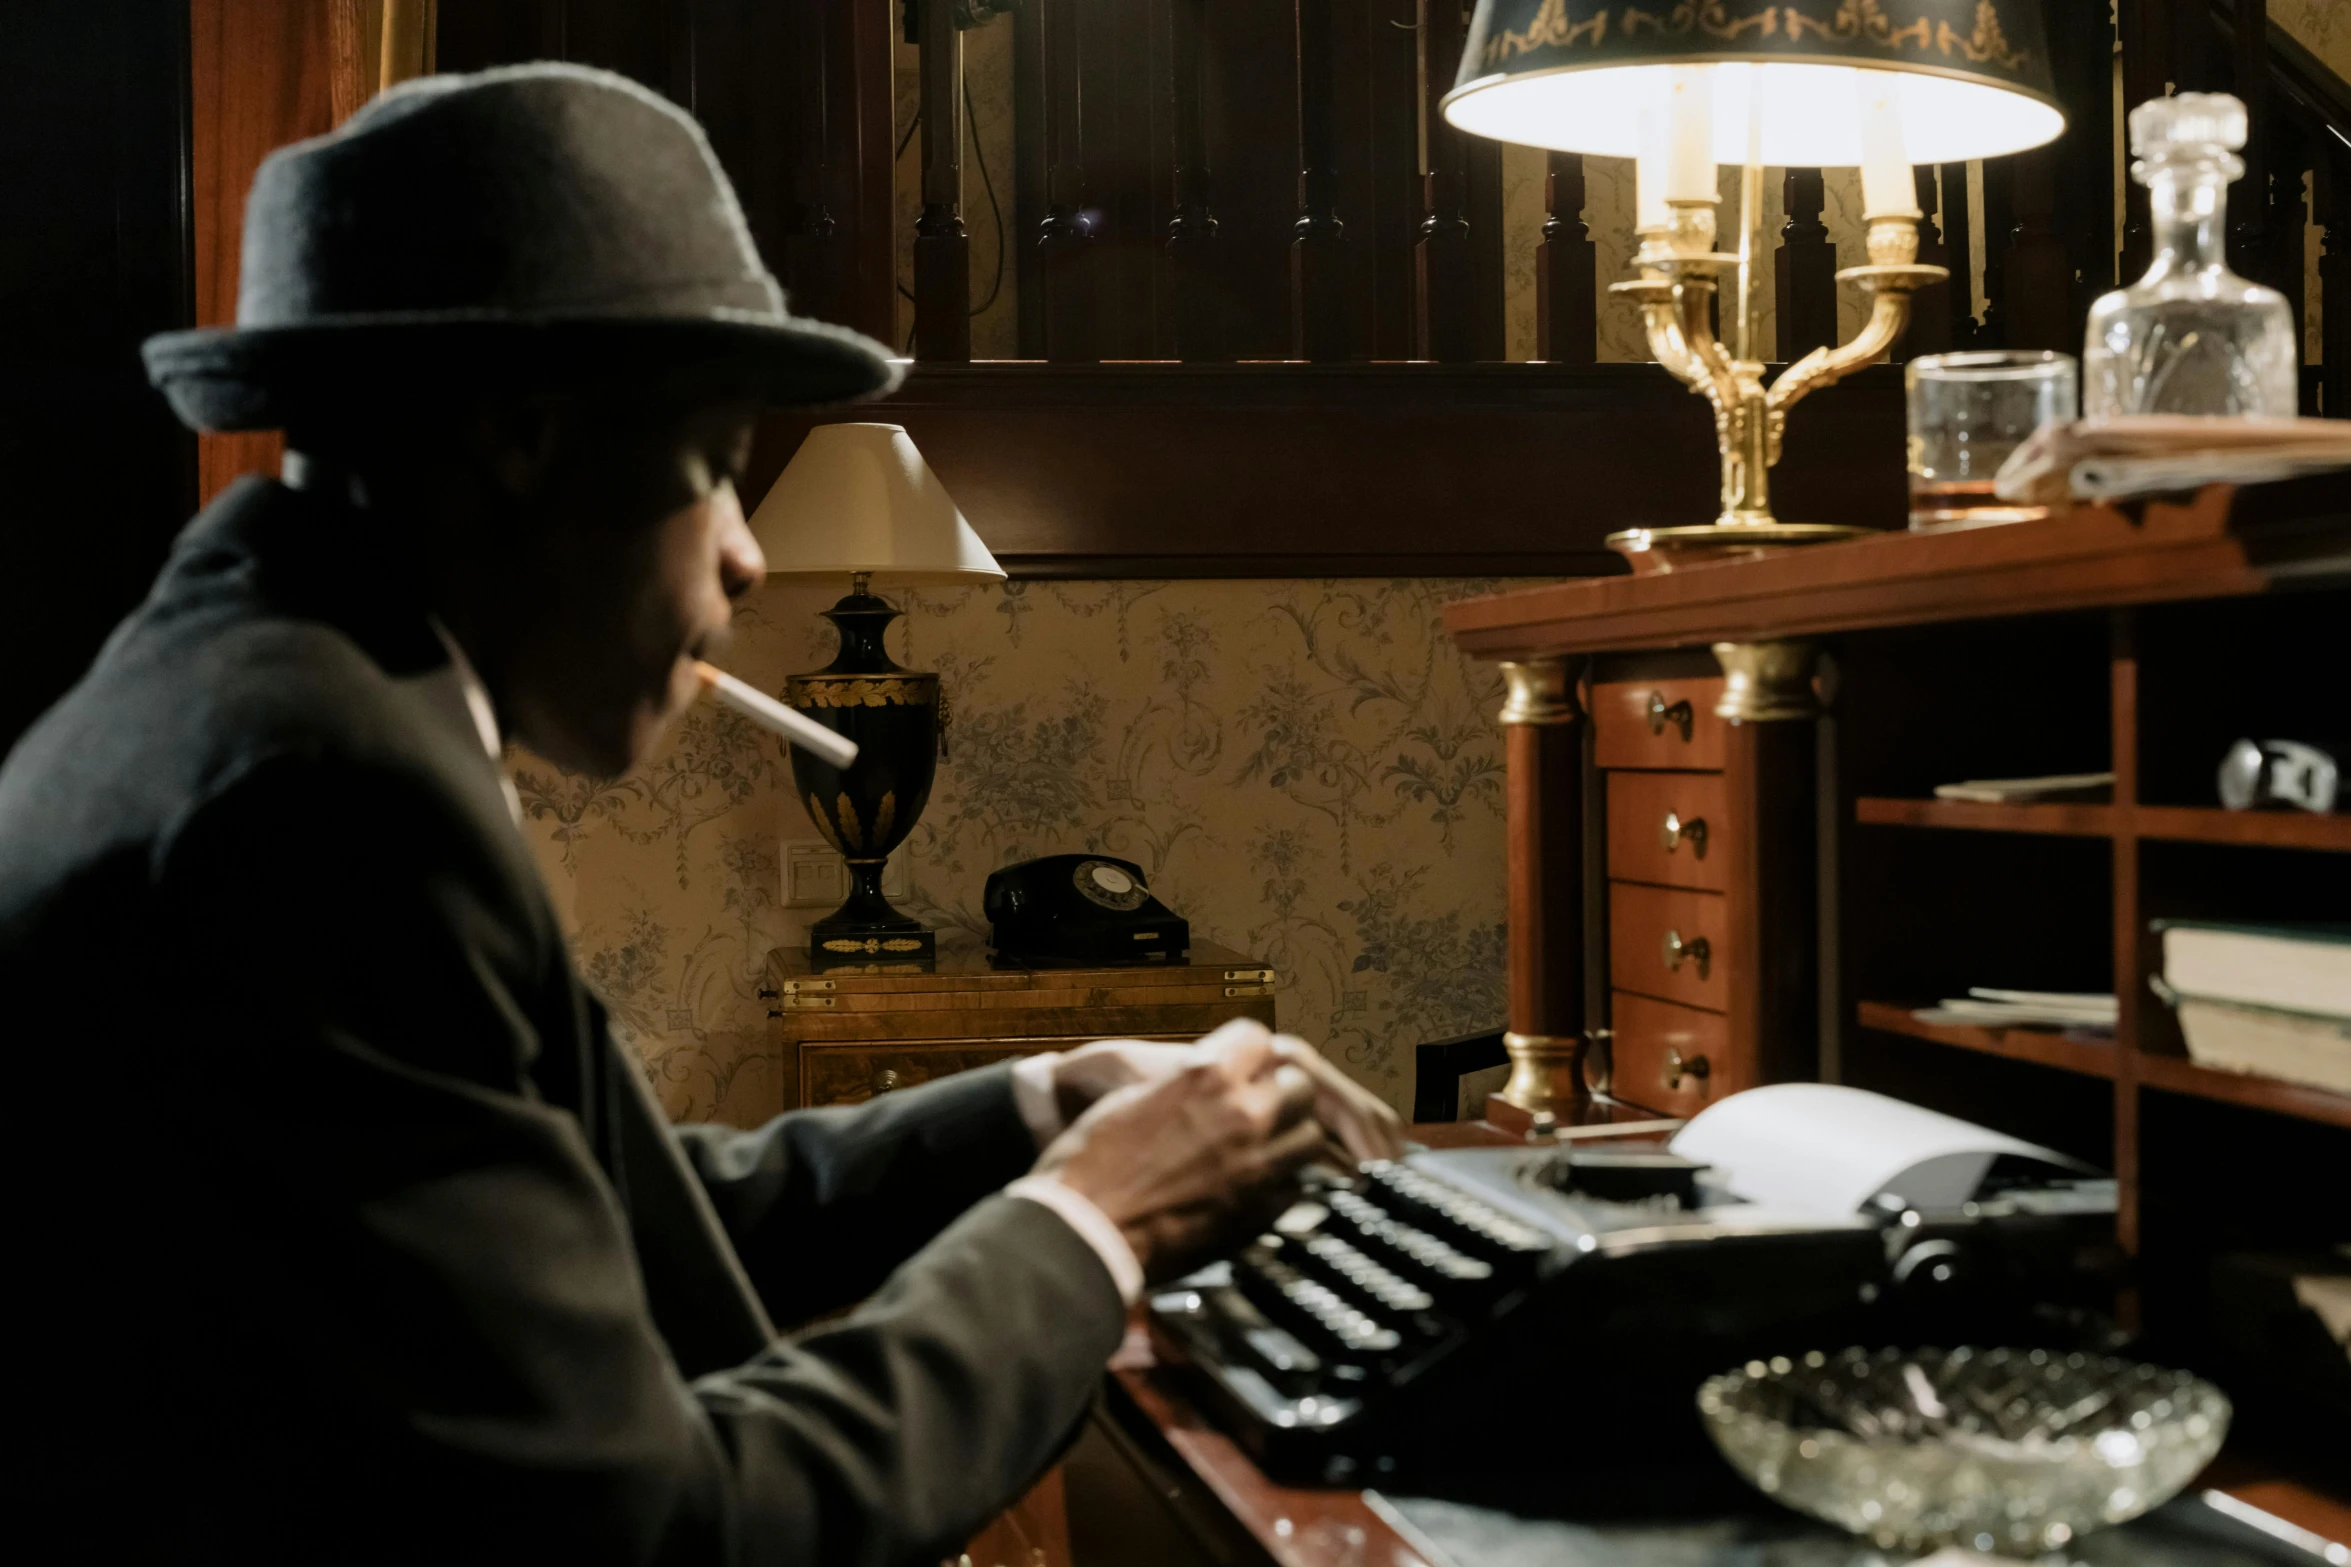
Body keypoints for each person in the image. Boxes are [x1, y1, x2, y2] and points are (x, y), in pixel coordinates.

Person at [0, 64, 1402, 1563]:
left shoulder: (258, 688)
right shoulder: (326, 800)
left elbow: (591, 1215)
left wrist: (1036, 1107)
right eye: (719, 466)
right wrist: (1091, 1223)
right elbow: (669, 1530)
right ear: (525, 434)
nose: (741, 557)